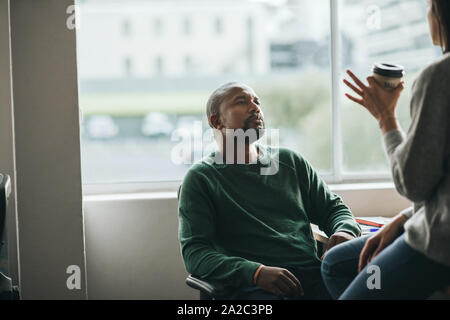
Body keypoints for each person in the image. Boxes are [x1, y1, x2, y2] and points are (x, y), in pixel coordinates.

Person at [178, 82, 361, 300]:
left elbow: (333, 208)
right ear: (216, 121)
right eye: (241, 101)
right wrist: (255, 273)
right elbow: (195, 254)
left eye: (256, 101)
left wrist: (345, 230)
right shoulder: (201, 178)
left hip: (314, 277)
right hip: (254, 287)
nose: (255, 107)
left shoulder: (290, 161)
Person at [321, 0, 450, 299]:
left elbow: (414, 183)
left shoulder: (439, 77)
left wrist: (385, 117)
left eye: (431, 7)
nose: (428, 15)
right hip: (426, 221)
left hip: (439, 247)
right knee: (336, 262)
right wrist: (405, 218)